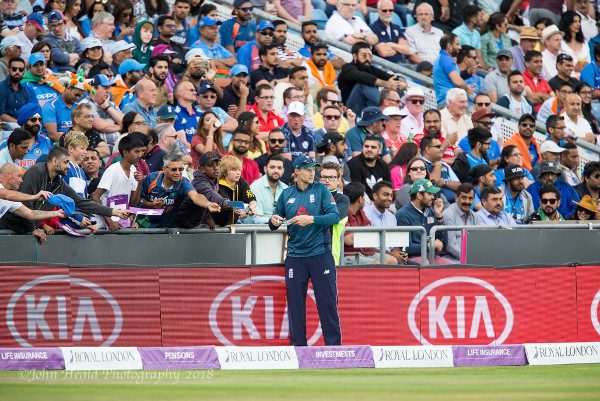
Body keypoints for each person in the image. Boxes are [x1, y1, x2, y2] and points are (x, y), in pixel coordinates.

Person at [269, 154, 342, 346]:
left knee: (327, 304)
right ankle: (298, 349)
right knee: (295, 306)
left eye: (313, 169)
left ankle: (334, 348)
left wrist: (311, 219)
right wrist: (273, 221)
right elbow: (277, 219)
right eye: (308, 169)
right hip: (295, 256)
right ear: (297, 172)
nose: (313, 173)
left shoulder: (322, 191)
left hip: (320, 254)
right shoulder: (286, 194)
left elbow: (334, 217)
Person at [0, 147, 128, 234]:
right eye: (66, 162)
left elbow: (81, 202)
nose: (68, 166)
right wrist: (33, 229)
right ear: (55, 161)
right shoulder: (36, 171)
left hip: (26, 230)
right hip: (9, 228)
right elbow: (26, 204)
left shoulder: (58, 182)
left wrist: (113, 211)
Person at [92, 134, 146, 231]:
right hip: (105, 222)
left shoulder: (134, 170)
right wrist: (109, 220)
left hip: (122, 220)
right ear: (125, 152)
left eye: (142, 151)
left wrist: (140, 183)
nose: (140, 155)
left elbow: (133, 203)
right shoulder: (112, 170)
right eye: (136, 151)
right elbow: (95, 196)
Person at [337, 42, 404, 113]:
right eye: (364, 55)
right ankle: (388, 109)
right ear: (355, 56)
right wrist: (386, 84)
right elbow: (363, 77)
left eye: (370, 56)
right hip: (351, 109)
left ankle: (397, 109)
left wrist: (402, 83)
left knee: (396, 87)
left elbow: (394, 77)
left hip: (368, 107)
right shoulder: (348, 69)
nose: (367, 58)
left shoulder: (370, 68)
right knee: (364, 84)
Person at [343, 181, 398, 265]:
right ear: (360, 199)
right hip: (348, 254)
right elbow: (348, 240)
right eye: (364, 197)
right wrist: (365, 231)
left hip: (365, 252)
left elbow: (371, 232)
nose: (366, 200)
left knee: (392, 260)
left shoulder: (360, 212)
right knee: (376, 264)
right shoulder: (342, 213)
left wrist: (361, 233)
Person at [0, 163, 66, 232]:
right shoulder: (8, 194)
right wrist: (34, 197)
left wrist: (56, 213)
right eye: (19, 176)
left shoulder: (11, 198)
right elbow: (5, 195)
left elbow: (30, 214)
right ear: (8, 175)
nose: (21, 180)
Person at [396, 178, 448, 264]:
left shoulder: (431, 211)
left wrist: (439, 216)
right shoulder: (403, 214)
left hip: (431, 255)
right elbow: (405, 248)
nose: (433, 197)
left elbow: (444, 243)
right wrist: (429, 245)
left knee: (450, 266)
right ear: (419, 195)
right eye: (429, 194)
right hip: (411, 257)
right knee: (425, 265)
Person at [364, 180, 408, 264]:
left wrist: (398, 253)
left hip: (390, 256)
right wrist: (392, 254)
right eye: (386, 195)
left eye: (391, 195)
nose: (390, 198)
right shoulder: (365, 214)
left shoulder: (392, 217)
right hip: (372, 256)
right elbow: (366, 247)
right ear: (375, 196)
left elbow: (395, 243)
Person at [318, 162, 349, 265]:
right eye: (324, 177)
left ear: (338, 180)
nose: (327, 180)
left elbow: (333, 218)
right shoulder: (311, 197)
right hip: (309, 251)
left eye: (331, 177)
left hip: (331, 253)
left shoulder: (343, 200)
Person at [212, 155, 256, 226]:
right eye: (234, 170)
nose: (238, 173)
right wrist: (243, 208)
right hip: (216, 226)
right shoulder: (218, 184)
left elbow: (250, 196)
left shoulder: (241, 182)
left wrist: (252, 206)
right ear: (224, 171)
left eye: (239, 169)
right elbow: (228, 203)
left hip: (232, 225)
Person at [42, 74, 87, 142]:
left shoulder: (78, 107)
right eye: (76, 95)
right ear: (68, 87)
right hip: (54, 147)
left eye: (80, 96)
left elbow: (83, 131)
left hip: (74, 145)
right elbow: (53, 135)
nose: (78, 98)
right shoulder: (50, 106)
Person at [245, 154, 288, 224]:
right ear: (265, 169)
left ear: (283, 170)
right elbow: (257, 218)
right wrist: (275, 220)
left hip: (279, 230)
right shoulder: (255, 187)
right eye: (272, 167)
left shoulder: (285, 188)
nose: (276, 171)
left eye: (279, 168)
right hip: (257, 231)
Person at [433, 33, 473, 106]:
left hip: (448, 103)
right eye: (457, 44)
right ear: (449, 46)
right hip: (449, 104)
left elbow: (452, 77)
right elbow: (458, 81)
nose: (460, 47)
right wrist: (467, 88)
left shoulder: (442, 58)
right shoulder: (446, 59)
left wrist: (467, 73)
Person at [419, 133, 461, 203]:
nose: (441, 149)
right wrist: (438, 166)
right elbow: (431, 183)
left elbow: (459, 186)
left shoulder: (444, 164)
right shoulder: (419, 164)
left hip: (454, 204)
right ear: (428, 149)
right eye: (438, 146)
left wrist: (444, 182)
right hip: (435, 205)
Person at [347, 135, 392, 199]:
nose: (369, 149)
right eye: (366, 146)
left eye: (373, 147)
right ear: (362, 148)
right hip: (361, 201)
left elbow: (388, 188)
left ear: (380, 151)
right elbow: (357, 192)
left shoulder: (384, 166)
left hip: (381, 201)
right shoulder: (353, 164)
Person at [443, 183, 479, 261]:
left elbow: (478, 241)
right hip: (452, 258)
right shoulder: (448, 214)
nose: (467, 201)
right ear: (456, 197)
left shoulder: (474, 216)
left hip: (472, 259)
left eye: (470, 198)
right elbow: (450, 245)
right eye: (464, 197)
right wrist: (467, 258)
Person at [62, 130, 89, 198]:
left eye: (86, 149)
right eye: (82, 148)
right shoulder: (65, 168)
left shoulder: (81, 171)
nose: (85, 152)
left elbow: (84, 196)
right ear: (71, 148)